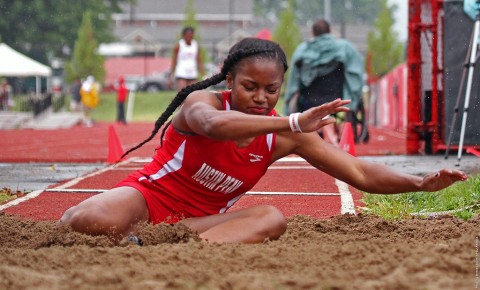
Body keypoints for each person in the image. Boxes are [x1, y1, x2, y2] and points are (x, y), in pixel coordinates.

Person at [60, 38, 467, 244]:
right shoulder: (200, 103)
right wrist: (289, 121)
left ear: (281, 86)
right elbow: (215, 126)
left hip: (197, 225)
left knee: (272, 218)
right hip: (149, 198)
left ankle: (161, 249)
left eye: (271, 90)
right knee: (86, 220)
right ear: (229, 82)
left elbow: (358, 170)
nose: (261, 98)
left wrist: (418, 183)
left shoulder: (289, 134)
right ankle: (132, 233)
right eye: (250, 87)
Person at [284, 19, 365, 146]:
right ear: (330, 31)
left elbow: (293, 81)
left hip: (309, 99)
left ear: (313, 33)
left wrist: (288, 103)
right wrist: (354, 98)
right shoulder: (346, 48)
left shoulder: (302, 50)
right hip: (337, 98)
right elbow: (355, 76)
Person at [168, 26, 205, 91]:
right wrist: (171, 75)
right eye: (187, 36)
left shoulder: (195, 45)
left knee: (193, 94)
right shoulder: (179, 45)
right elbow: (174, 61)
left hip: (192, 73)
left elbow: (199, 61)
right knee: (182, 94)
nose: (189, 38)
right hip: (181, 73)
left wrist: (203, 75)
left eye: (191, 36)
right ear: (184, 36)